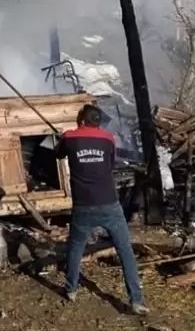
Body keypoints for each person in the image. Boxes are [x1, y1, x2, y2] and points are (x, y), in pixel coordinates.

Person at [55, 104, 149, 316]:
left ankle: (71, 289)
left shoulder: (69, 138)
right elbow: (109, 165)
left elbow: (58, 154)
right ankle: (137, 300)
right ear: (98, 122)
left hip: (83, 205)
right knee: (125, 249)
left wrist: (60, 137)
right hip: (109, 203)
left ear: (81, 120)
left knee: (75, 248)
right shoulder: (108, 139)